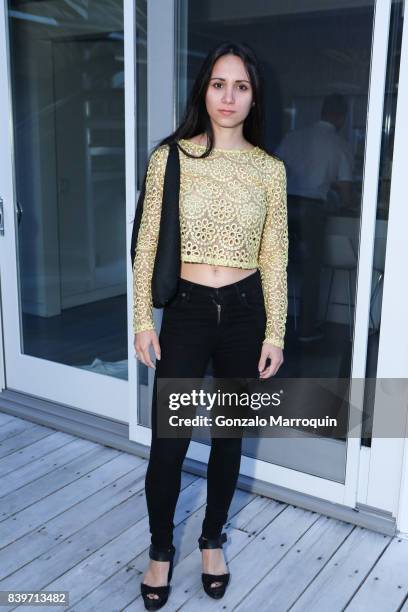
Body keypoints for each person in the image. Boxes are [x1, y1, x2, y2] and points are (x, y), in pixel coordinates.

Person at [133, 40, 288, 609]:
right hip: (188, 313)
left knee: (228, 439)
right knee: (168, 444)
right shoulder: (171, 157)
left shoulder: (269, 169)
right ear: (204, 89)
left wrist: (276, 332)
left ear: (253, 96)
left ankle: (212, 539)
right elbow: (147, 245)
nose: (228, 96)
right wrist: (141, 321)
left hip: (246, 313)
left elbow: (275, 255)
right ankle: (158, 550)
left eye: (241, 86)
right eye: (219, 84)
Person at [276, 94, 354, 342]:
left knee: (276, 267)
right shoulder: (339, 144)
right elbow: (344, 188)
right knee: (311, 272)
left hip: (284, 205)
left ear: (323, 111)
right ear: (341, 117)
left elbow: (275, 168)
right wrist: (347, 204)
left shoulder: (294, 136)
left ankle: (269, 327)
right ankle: (306, 330)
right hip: (312, 210)